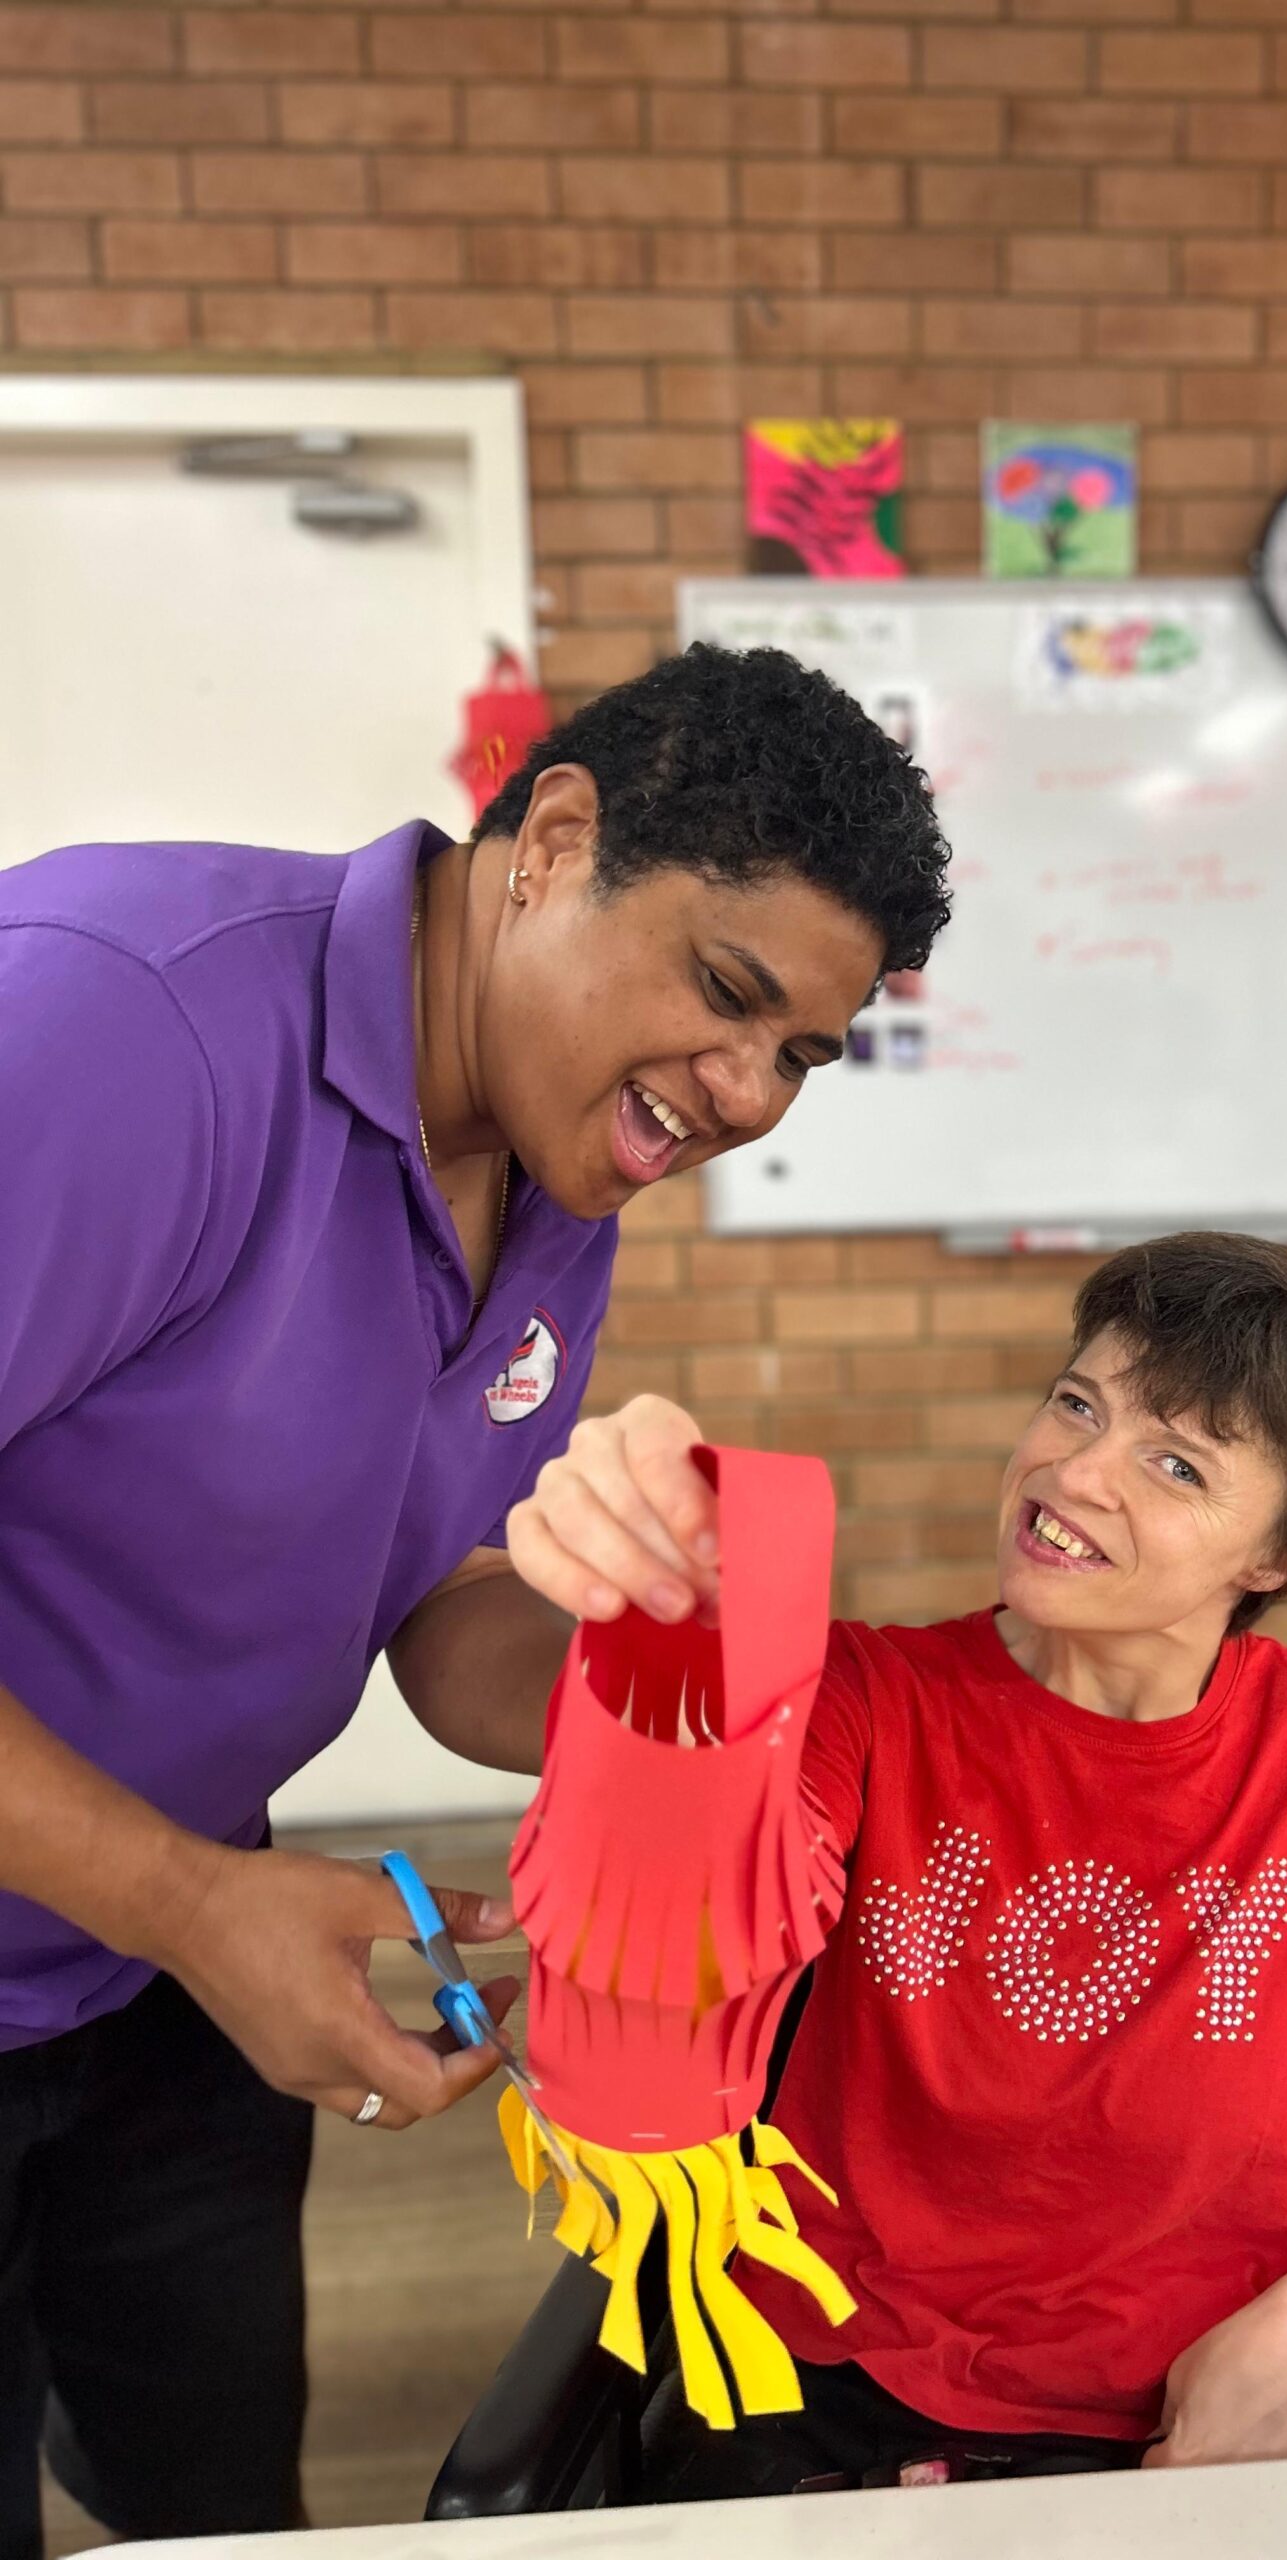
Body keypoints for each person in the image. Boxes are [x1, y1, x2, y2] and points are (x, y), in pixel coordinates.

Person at [0, 641, 950, 2557]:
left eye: (802, 1055)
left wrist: (681, 1685)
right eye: (730, 996)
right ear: (556, 842)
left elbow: (436, 1600)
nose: (748, 1094)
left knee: (210, 2489)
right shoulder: (118, 1027)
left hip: (155, 1967)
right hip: (162, 1900)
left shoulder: (552, 1166)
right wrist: (195, 1902)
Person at [510, 1231, 1287, 2487]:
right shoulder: (868, 1696)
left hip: (1193, 2412)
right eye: (1075, 1404)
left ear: (1271, 1558)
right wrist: (674, 1610)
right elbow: (712, 1914)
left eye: (1175, 1463)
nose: (1077, 1472)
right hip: (826, 2393)